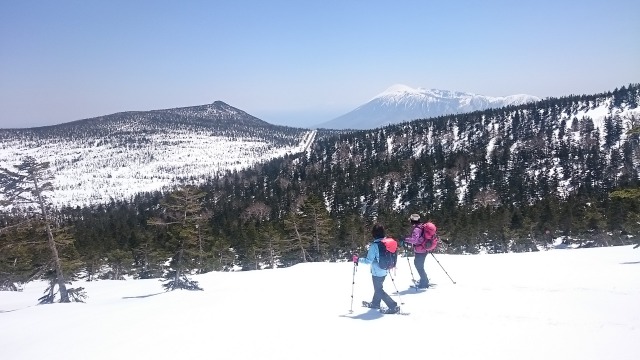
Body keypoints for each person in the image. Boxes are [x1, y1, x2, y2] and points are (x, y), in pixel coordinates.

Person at [353, 223, 400, 314]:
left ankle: (392, 305)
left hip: (377, 271)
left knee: (378, 290)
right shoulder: (386, 242)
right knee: (378, 287)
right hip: (385, 269)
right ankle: (375, 303)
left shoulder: (375, 245)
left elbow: (368, 261)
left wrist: (358, 259)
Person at [403, 213, 436, 288]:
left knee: (419, 265)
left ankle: (424, 281)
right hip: (424, 248)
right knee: (419, 265)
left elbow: (414, 240)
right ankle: (424, 279)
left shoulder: (416, 229)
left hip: (420, 250)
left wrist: (405, 239)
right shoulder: (421, 226)